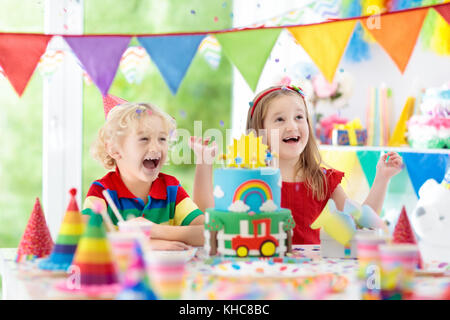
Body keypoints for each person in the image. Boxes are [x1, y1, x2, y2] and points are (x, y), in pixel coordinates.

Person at [190, 85, 403, 244]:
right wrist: (204, 163)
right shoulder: (246, 178)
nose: (292, 125)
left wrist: (382, 178)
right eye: (280, 120)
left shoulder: (323, 179)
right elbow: (207, 217)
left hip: (311, 277)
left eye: (299, 117)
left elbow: (361, 223)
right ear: (258, 133)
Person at [84, 102, 204, 250]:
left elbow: (207, 232)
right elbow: (85, 238)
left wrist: (153, 230)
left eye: (162, 139)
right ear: (114, 149)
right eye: (144, 139)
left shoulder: (171, 189)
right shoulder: (101, 192)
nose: (156, 147)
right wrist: (144, 244)